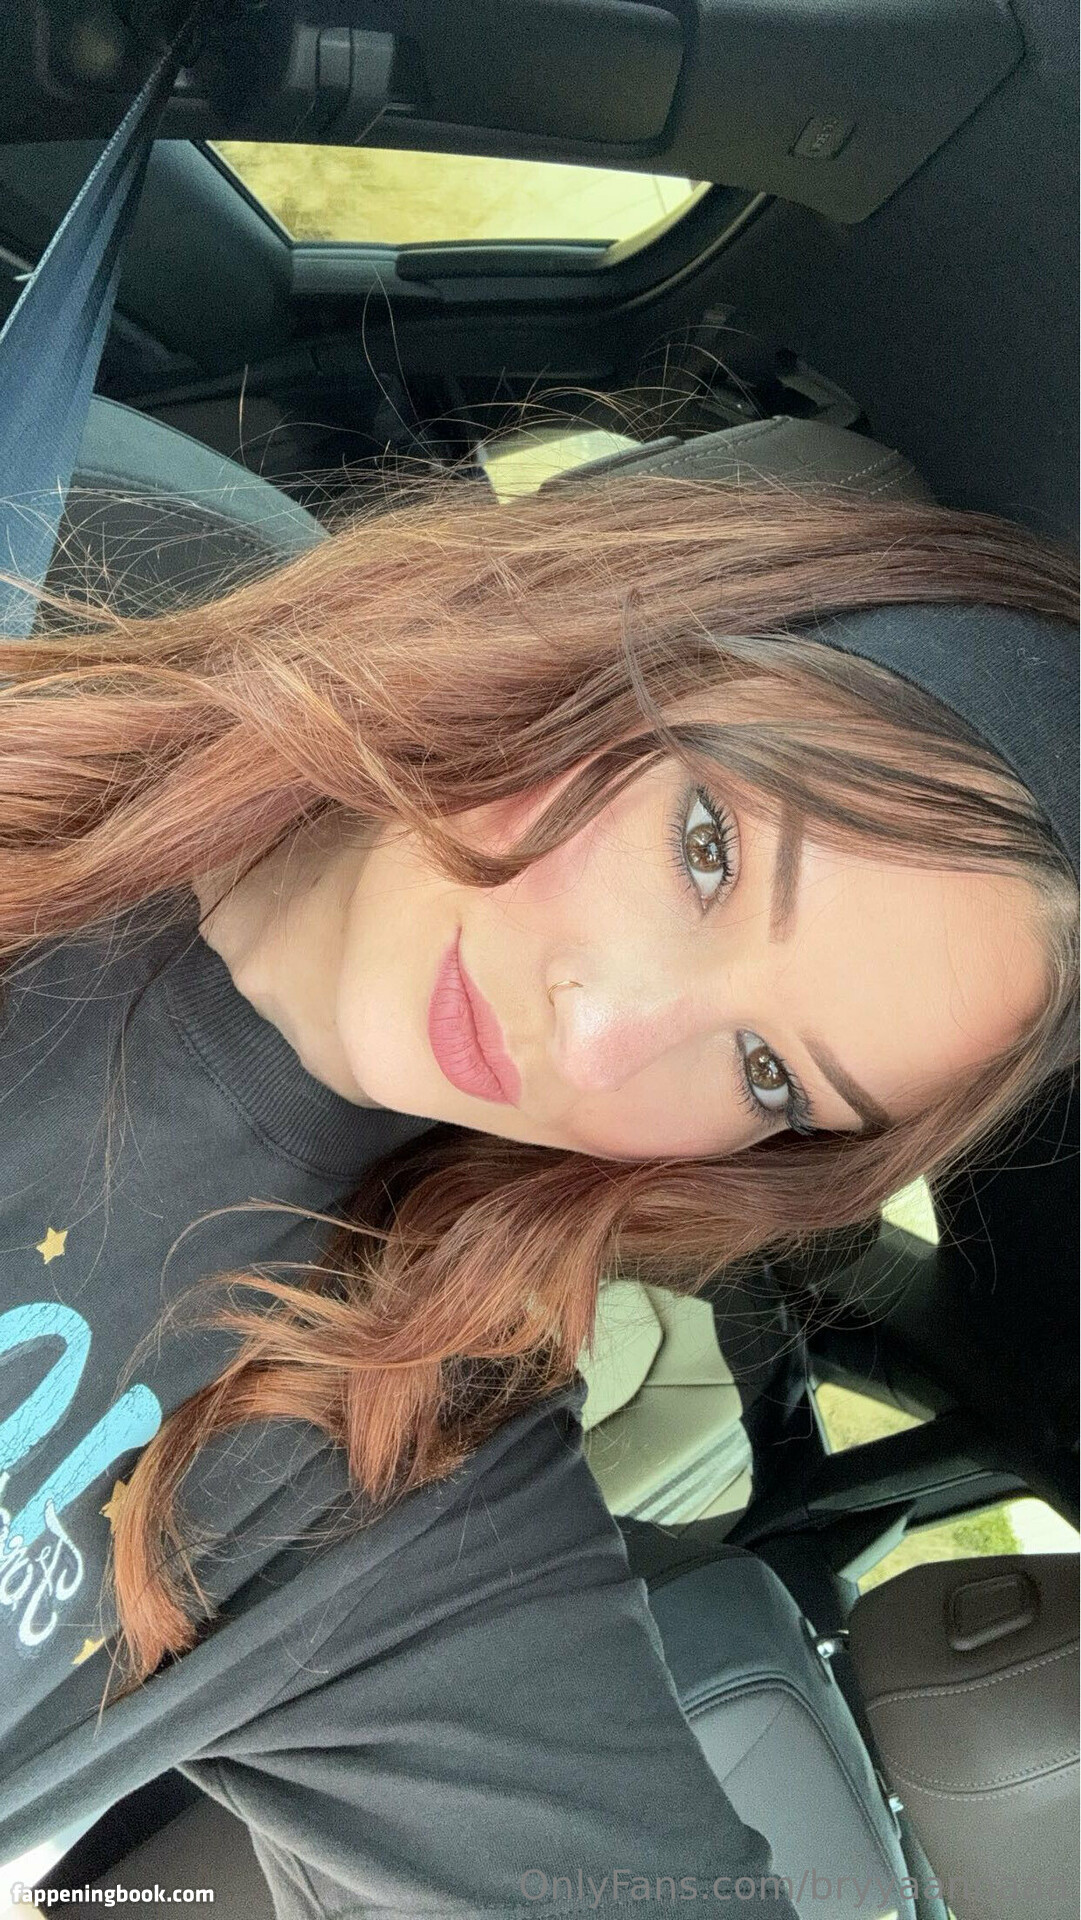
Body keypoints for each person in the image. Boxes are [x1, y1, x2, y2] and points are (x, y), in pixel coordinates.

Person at [0, 462, 1076, 1918]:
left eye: (767, 1072)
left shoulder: (397, 1479)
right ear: (628, 631)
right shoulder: (48, 625)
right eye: (705, 847)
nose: (601, 1035)